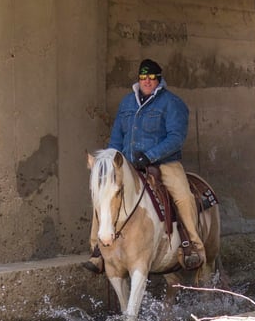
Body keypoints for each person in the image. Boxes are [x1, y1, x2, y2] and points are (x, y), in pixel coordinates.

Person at [84, 58, 206, 274]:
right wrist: (110, 161)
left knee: (183, 196)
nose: (147, 81)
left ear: (159, 80)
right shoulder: (127, 103)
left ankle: (193, 246)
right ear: (138, 79)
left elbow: (176, 138)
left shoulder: (172, 103)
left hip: (164, 163)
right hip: (127, 163)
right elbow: (116, 137)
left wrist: (150, 156)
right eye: (143, 77)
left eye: (151, 78)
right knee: (103, 194)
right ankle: (97, 250)